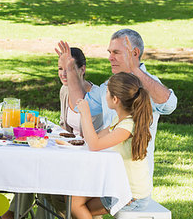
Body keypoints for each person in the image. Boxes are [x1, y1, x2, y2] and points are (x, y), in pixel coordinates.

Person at [0, 48, 110, 219]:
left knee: (43, 174)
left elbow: (91, 138)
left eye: (69, 68)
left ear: (82, 69)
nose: (63, 74)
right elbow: (65, 127)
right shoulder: (65, 90)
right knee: (37, 165)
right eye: (60, 69)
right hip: (69, 151)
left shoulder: (95, 97)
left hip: (87, 157)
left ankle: (18, 212)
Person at [56, 29, 177, 182]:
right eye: (109, 52)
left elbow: (170, 104)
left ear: (134, 53)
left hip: (131, 181)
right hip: (107, 172)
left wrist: (135, 69)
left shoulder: (148, 84)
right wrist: (71, 68)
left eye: (116, 52)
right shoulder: (110, 85)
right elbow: (80, 103)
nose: (110, 58)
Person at [71, 72, 153, 219]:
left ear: (115, 99)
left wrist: (86, 113)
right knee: (75, 202)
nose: (105, 95)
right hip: (118, 185)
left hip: (131, 195)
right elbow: (94, 139)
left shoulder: (127, 126)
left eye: (107, 92)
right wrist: (84, 116)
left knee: (78, 207)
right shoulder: (119, 121)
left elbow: (94, 145)